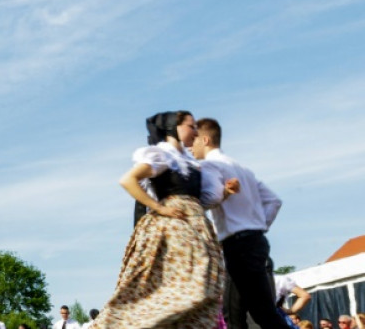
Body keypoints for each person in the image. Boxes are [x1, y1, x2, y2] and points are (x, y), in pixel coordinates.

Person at [90, 111, 237, 329]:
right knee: (184, 289)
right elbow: (128, 180)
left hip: (196, 227)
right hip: (172, 230)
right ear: (173, 128)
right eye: (191, 126)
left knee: (205, 287)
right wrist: (158, 207)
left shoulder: (192, 163)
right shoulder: (163, 155)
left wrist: (225, 193)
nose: (196, 131)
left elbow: (202, 202)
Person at [191, 118, 289, 329]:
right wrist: (257, 226)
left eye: (194, 140)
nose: (190, 146)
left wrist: (190, 203)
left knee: (245, 313)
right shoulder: (243, 168)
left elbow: (211, 197)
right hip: (254, 242)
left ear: (205, 140)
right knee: (250, 313)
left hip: (238, 245)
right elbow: (274, 201)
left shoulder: (209, 165)